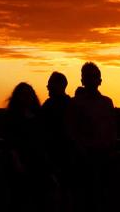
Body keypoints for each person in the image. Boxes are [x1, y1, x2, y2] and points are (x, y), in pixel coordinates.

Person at [67, 62, 116, 212]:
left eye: (93, 77)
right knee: (84, 198)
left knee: (103, 197)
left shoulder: (107, 103)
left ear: (100, 80)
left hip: (104, 156)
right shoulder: (74, 104)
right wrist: (81, 148)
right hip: (83, 158)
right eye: (87, 77)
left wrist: (110, 148)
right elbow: (70, 130)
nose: (90, 80)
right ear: (82, 80)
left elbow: (112, 128)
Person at [3, 82, 56, 212]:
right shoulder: (12, 118)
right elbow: (11, 143)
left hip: (38, 164)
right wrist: (17, 162)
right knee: (20, 200)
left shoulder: (39, 117)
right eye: (24, 94)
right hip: (20, 163)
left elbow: (44, 141)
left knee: (40, 200)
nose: (27, 97)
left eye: (29, 94)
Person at [41, 72, 72, 211]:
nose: (48, 87)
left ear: (60, 86)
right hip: (60, 157)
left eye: (50, 84)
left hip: (60, 156)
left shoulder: (50, 106)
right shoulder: (71, 104)